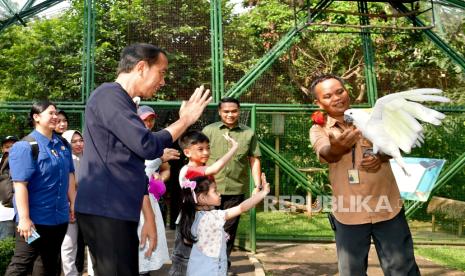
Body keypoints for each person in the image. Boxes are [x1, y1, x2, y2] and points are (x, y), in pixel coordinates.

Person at [74, 43, 211, 275]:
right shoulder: (109, 95)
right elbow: (146, 145)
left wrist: (147, 217)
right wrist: (185, 121)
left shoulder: (124, 102)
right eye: (162, 72)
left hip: (118, 210)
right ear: (141, 67)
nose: (163, 81)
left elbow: (133, 167)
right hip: (106, 210)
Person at [309, 74, 420, 275]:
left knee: (402, 269)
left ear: (347, 91)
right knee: (352, 271)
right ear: (319, 102)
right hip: (348, 213)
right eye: (328, 96)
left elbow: (396, 145)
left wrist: (382, 157)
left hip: (387, 207)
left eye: (340, 91)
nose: (336, 98)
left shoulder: (373, 116)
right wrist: (338, 148)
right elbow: (326, 152)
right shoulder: (318, 129)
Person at [5, 100, 76, 275]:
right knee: (21, 265)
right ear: (36, 117)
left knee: (49, 264)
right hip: (34, 221)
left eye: (56, 113)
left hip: (59, 218)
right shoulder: (25, 146)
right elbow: (20, 185)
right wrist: (24, 218)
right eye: (50, 113)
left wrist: (73, 203)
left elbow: (69, 175)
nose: (55, 117)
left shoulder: (63, 145)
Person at [202, 97, 262, 268]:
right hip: (209, 190)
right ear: (220, 112)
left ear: (239, 111)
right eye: (226, 111)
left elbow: (254, 160)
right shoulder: (209, 130)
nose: (230, 114)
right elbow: (199, 157)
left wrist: (257, 185)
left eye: (234, 111)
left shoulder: (248, 133)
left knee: (228, 230)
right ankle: (207, 264)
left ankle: (222, 264)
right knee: (208, 229)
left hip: (235, 190)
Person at [169, 130, 238, 276]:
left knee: (200, 258)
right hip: (190, 220)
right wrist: (233, 148)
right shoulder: (190, 170)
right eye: (200, 149)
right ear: (187, 152)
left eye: (208, 148)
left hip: (202, 220)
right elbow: (216, 167)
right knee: (183, 260)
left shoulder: (200, 170)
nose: (206, 152)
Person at [179, 173, 269, 276]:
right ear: (202, 198)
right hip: (211, 270)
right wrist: (263, 192)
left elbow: (188, 240)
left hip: (196, 269)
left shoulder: (192, 217)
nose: (219, 193)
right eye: (215, 191)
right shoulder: (212, 217)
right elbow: (241, 208)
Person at [137, 105, 178, 275]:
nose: (148, 123)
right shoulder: (128, 139)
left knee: (148, 241)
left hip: (151, 199)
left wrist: (161, 178)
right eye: (144, 119)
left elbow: (166, 169)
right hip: (132, 199)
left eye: (151, 119)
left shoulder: (157, 141)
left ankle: (145, 270)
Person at [60, 130, 85, 276]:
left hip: (89, 208)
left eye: (80, 140)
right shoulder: (64, 160)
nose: (78, 144)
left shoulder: (90, 158)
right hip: (70, 208)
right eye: (73, 141)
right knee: (69, 245)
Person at [0, 135, 18, 240]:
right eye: (7, 147)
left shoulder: (25, 163)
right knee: (5, 248)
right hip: (4, 217)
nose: (10, 150)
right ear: (2, 149)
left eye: (13, 146)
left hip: (22, 216)